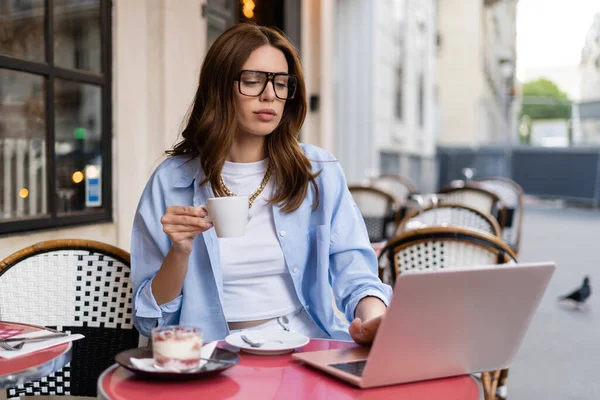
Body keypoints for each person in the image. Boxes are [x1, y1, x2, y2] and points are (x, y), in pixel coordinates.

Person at [131, 23, 392, 345]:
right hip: (210, 352)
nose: (270, 94)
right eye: (252, 81)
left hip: (302, 345)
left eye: (282, 84)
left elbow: (355, 272)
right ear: (219, 88)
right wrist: (180, 252)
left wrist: (375, 321)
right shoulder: (172, 180)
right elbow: (150, 319)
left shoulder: (316, 172)